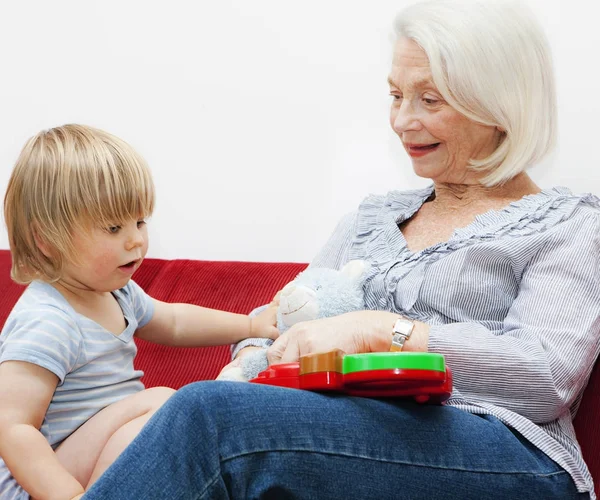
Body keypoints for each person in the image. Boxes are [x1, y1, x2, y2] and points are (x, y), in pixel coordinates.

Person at [85, 0, 598, 498]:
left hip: (506, 455)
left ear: (500, 103)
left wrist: (380, 331)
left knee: (209, 418)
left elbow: (547, 376)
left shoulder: (570, 224)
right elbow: (283, 318)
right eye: (396, 96)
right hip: (352, 430)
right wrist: (249, 366)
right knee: (204, 409)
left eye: (430, 100)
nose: (402, 121)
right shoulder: (371, 219)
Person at [0, 124, 280, 500]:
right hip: (41, 482)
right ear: (46, 241)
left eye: (140, 221)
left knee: (165, 423)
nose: (135, 239)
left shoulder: (118, 293)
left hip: (98, 457)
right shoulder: (48, 320)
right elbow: (12, 426)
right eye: (114, 227)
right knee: (163, 405)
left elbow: (176, 323)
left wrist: (250, 324)